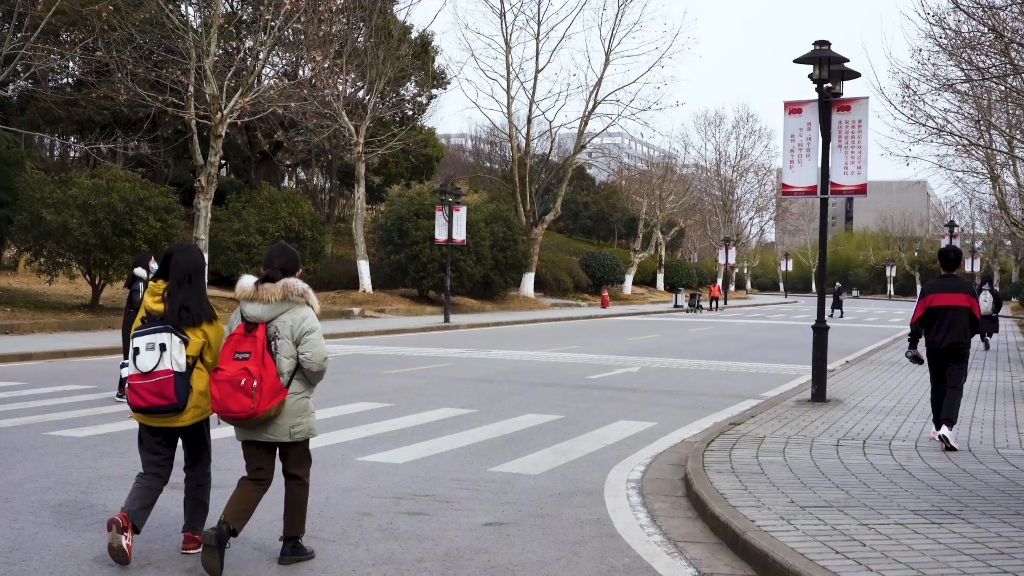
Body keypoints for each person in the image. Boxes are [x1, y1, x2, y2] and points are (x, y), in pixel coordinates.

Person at [201, 242, 328, 576]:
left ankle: (222, 531)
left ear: (261, 272)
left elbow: (223, 356)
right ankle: (291, 544)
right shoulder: (302, 313)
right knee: (296, 474)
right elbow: (316, 363)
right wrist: (302, 383)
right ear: (298, 275)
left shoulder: (240, 311)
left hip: (249, 407)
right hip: (289, 409)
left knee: (257, 476)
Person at [106, 244, 225, 565]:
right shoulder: (204, 314)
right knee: (197, 471)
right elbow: (214, 358)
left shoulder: (148, 303)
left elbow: (133, 340)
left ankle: (126, 520)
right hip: (190, 409)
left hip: (149, 403)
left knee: (153, 471)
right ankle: (192, 536)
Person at [907, 245, 980, 452]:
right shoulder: (968, 290)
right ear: (960, 264)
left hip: (935, 346)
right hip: (959, 347)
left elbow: (917, 320)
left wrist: (913, 345)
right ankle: (947, 427)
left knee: (937, 385)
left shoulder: (928, 289)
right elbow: (976, 320)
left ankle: (938, 426)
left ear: (938, 263)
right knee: (954, 386)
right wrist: (967, 334)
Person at [116, 252, 156, 402]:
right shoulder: (140, 283)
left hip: (136, 324)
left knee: (131, 357)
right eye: (152, 261)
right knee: (130, 358)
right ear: (145, 264)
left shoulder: (144, 282)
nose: (154, 263)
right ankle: (126, 392)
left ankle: (121, 391)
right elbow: (139, 302)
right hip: (132, 325)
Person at [977, 274, 1003, 351]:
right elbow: (1000, 303)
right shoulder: (994, 292)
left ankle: (983, 344)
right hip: (991, 314)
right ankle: (988, 338)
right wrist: (996, 311)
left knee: (982, 329)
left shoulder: (978, 291)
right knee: (990, 328)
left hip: (980, 314)